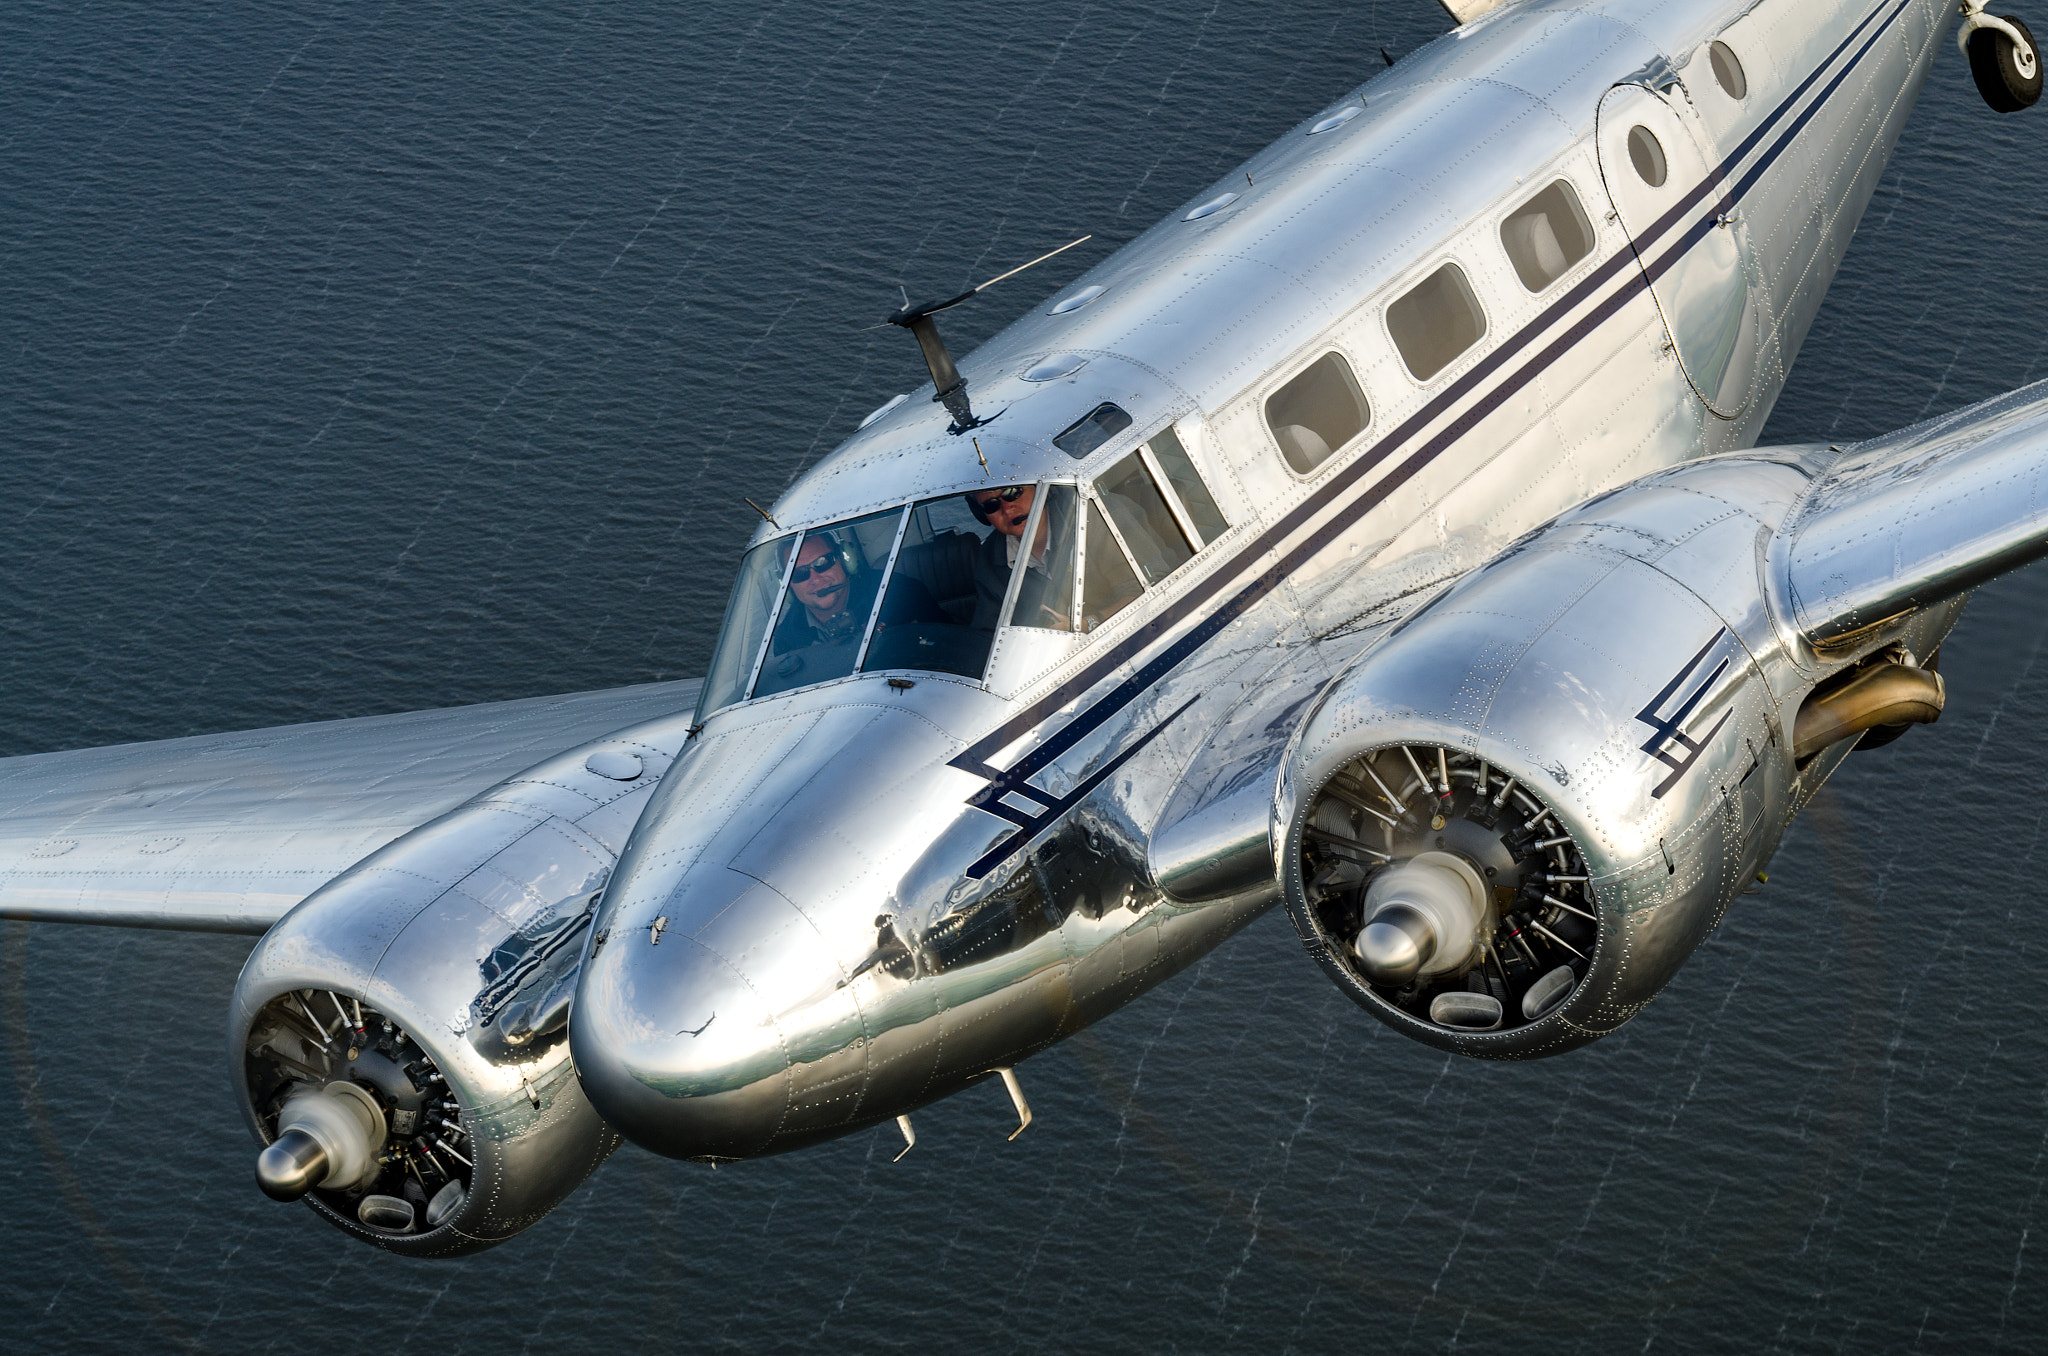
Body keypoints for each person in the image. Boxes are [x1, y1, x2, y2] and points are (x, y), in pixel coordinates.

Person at [966, 483, 1055, 630]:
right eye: (991, 505)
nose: (1007, 510)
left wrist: (1090, 621)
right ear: (982, 515)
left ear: (1041, 489)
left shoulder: (1086, 517)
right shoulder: (988, 561)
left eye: (1012, 493)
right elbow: (989, 632)